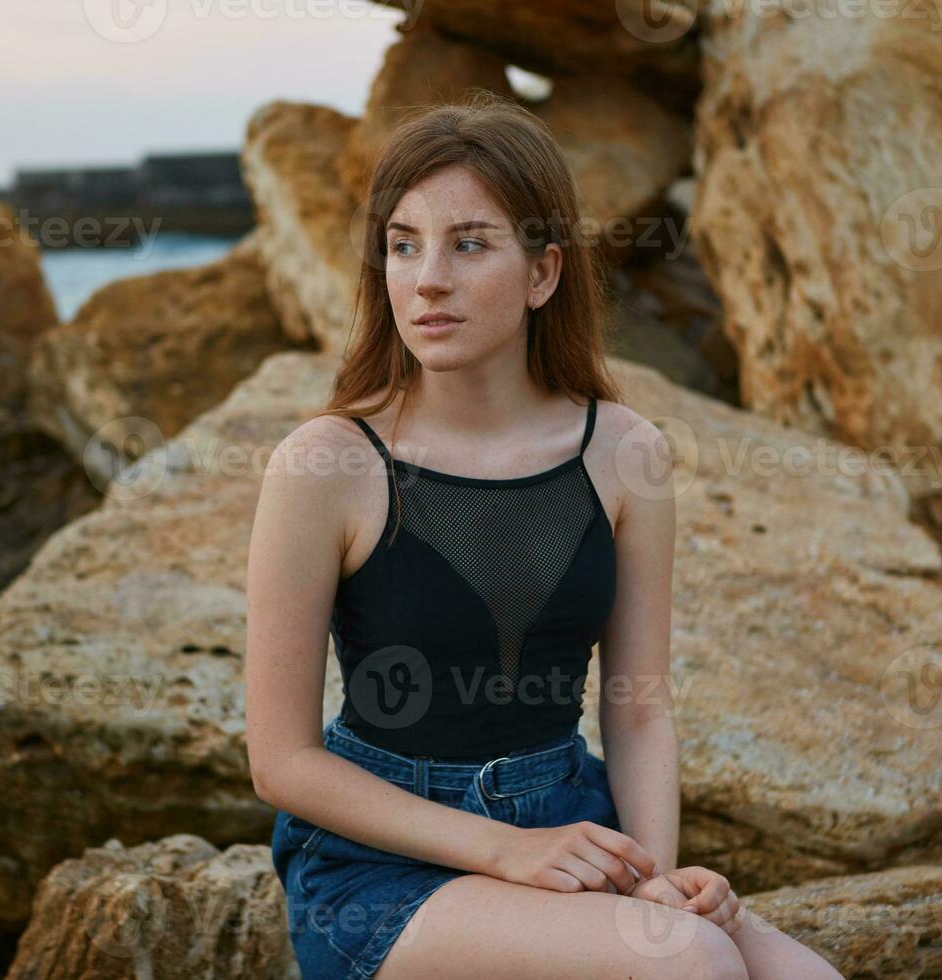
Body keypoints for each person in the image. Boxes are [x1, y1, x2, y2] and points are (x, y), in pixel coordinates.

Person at [244, 89, 843, 980]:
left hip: (573, 816)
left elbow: (638, 706)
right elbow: (282, 762)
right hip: (381, 866)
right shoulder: (328, 463)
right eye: (402, 245)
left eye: (469, 244)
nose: (427, 279)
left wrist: (658, 878)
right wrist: (503, 850)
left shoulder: (626, 451)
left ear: (544, 273)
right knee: (691, 966)